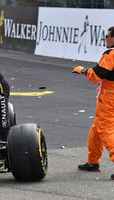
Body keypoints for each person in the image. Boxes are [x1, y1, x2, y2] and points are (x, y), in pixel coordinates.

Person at [73, 26, 114, 180]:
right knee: (96, 130)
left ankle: (94, 161)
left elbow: (97, 75)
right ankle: (93, 162)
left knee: (106, 130)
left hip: (109, 98)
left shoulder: (110, 54)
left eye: (107, 36)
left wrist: (82, 70)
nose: (106, 39)